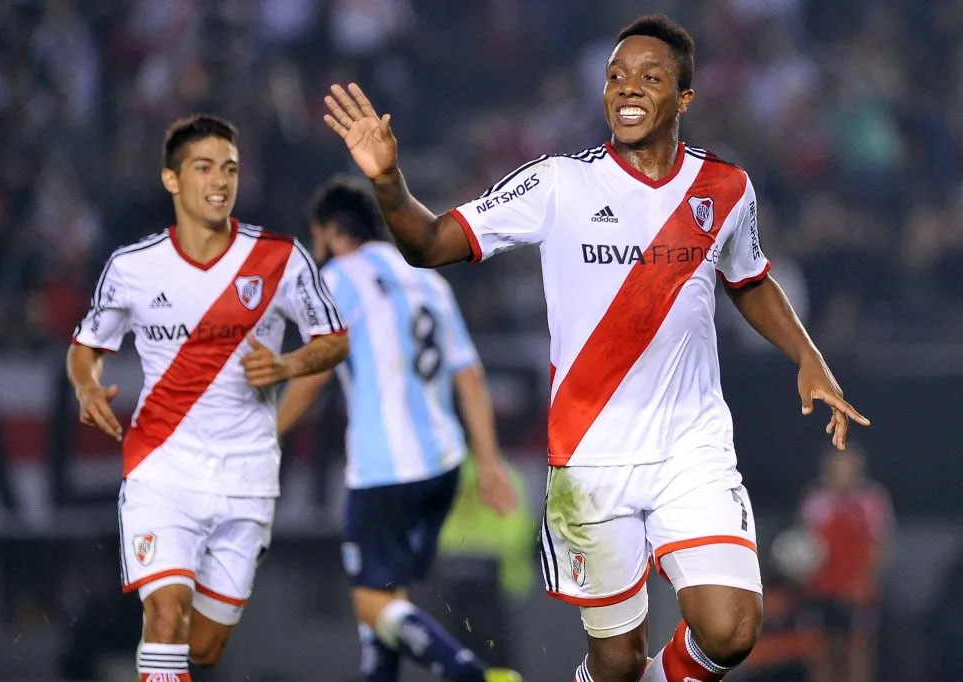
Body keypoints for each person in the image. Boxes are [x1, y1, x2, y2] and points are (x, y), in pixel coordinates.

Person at [320, 13, 871, 682]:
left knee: (730, 630)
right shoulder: (559, 183)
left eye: (649, 76)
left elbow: (748, 280)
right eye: (615, 76)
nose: (627, 88)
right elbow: (430, 243)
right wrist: (387, 181)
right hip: (589, 461)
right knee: (617, 661)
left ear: (684, 98)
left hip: (689, 448)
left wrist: (808, 356)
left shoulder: (725, 190)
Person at [66, 114, 349, 682]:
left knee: (207, 644)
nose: (220, 181)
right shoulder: (133, 269)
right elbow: (85, 346)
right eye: (203, 168)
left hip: (246, 473)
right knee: (165, 614)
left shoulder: (279, 260)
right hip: (161, 466)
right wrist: (87, 384)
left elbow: (336, 340)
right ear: (172, 180)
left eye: (230, 169)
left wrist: (289, 363)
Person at [274, 176, 523, 682]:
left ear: (326, 232)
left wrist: (266, 434)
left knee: (370, 604)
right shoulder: (427, 280)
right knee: (388, 596)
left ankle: (470, 673)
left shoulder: (339, 278)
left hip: (385, 469)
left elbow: (318, 370)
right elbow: (471, 378)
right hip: (445, 466)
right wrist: (490, 465)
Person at [799, 445, 893, 682]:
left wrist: (864, 582)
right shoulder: (816, 500)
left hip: (857, 593)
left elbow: (880, 545)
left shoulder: (872, 499)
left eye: (848, 466)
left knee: (857, 653)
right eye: (837, 466)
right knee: (821, 654)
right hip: (821, 590)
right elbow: (805, 546)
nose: (843, 471)